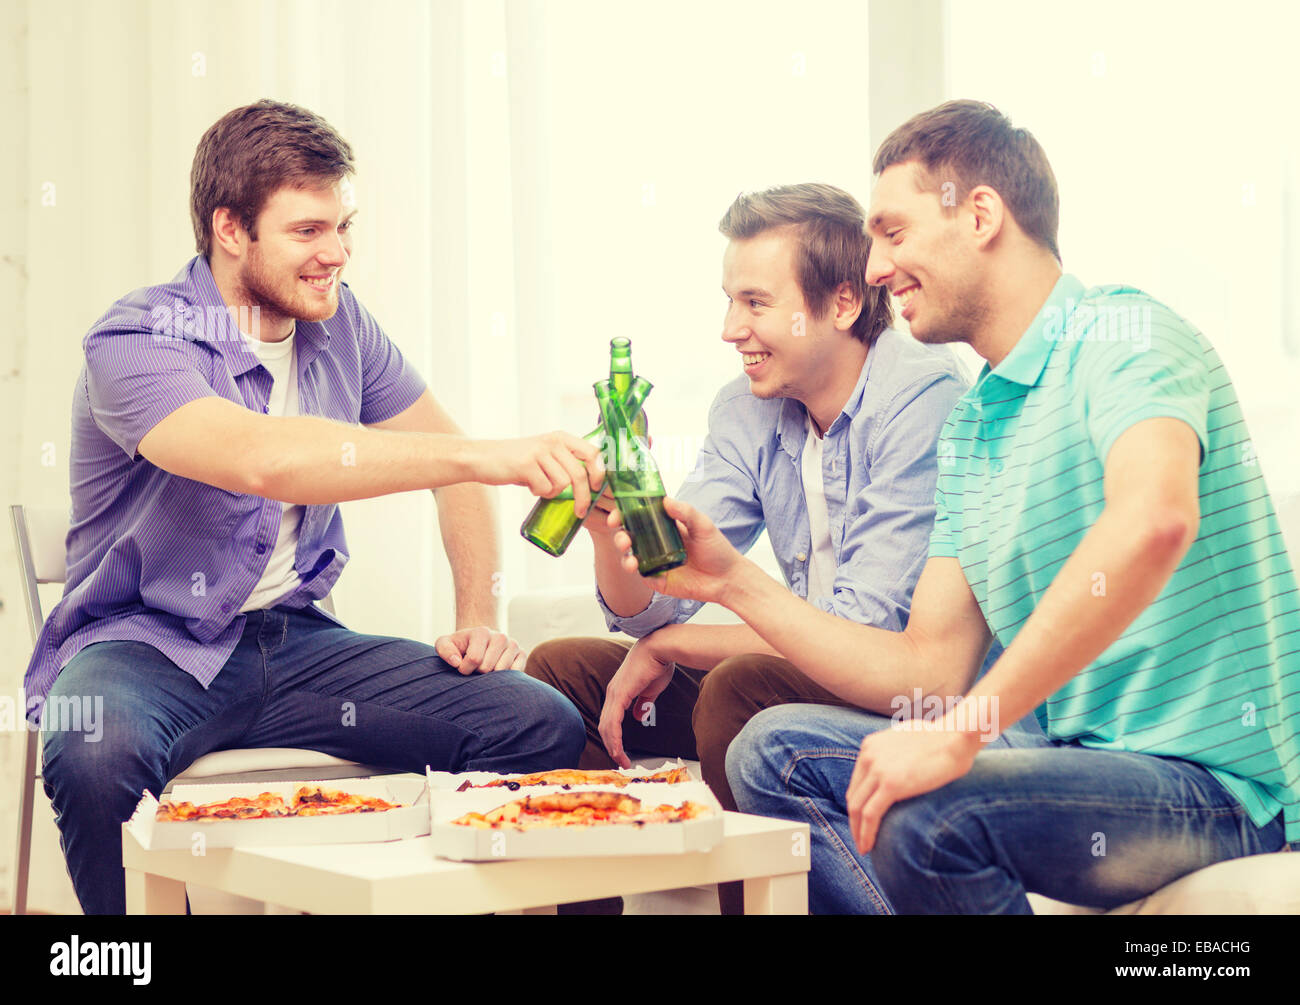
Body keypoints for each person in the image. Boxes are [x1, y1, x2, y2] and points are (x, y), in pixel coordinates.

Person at [609, 100, 1300, 914]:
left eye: (893, 233)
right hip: (1074, 767)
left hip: (1213, 789)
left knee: (934, 816)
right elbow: (926, 668)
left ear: (980, 216)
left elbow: (1154, 519)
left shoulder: (1125, 336)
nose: (871, 269)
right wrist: (730, 581)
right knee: (773, 749)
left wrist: (965, 730)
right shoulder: (975, 430)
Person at [27, 100, 602, 914]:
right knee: (92, 748)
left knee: (538, 722)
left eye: (344, 226)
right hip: (147, 646)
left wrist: (478, 611)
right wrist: (484, 453)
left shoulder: (343, 326)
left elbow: (453, 471)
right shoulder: (138, 339)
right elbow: (265, 460)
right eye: (307, 231)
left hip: (297, 647)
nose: (336, 253)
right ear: (231, 229)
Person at [527, 182, 971, 914]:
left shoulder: (920, 398)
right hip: (808, 666)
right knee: (558, 674)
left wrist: (677, 646)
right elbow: (661, 595)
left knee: (739, 688)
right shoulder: (748, 405)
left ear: (842, 303)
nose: (731, 328)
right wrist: (621, 517)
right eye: (729, 300)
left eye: (756, 303)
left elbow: (868, 633)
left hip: (898, 690)